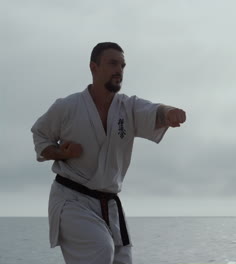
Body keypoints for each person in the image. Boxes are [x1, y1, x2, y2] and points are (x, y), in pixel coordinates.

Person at [31, 42, 186, 264]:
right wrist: (60, 153)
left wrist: (169, 112)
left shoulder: (128, 107)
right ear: (93, 67)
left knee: (122, 260)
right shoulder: (67, 107)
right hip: (71, 199)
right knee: (100, 249)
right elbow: (40, 137)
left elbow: (155, 111)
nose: (119, 71)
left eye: (122, 66)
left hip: (109, 204)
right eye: (113, 63)